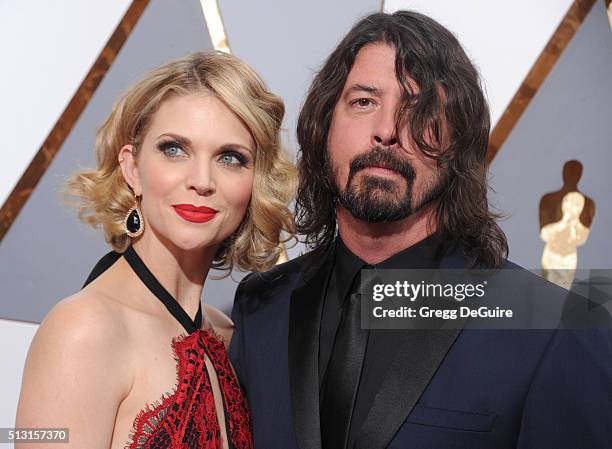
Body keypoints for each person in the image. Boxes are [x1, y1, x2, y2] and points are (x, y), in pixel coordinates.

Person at [229, 11, 612, 449]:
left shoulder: (556, 330)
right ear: (324, 126)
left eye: (419, 108)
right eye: (364, 102)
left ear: (458, 140)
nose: (387, 131)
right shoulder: (262, 309)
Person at [16, 51, 296, 449]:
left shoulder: (228, 336)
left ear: (255, 182)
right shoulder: (82, 331)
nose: (201, 180)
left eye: (230, 158)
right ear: (132, 168)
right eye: (174, 149)